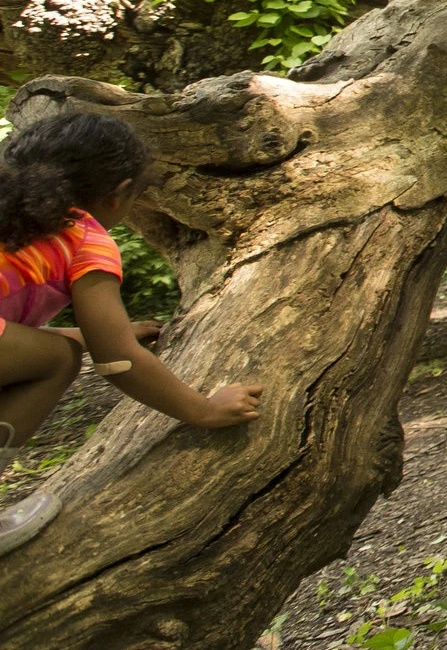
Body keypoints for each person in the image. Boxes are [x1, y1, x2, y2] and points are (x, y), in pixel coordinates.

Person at [0, 113, 265, 556]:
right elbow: (117, 360)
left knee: (57, 347)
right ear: (119, 193)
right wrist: (203, 409)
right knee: (60, 359)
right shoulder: (84, 238)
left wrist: (97, 333)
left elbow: (15, 338)